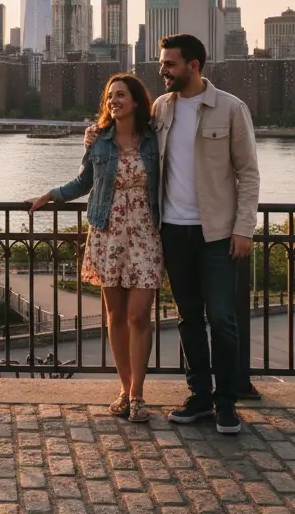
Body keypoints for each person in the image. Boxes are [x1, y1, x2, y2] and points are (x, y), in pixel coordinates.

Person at [84, 34, 259, 435]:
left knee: (222, 317)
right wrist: (95, 133)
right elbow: (121, 134)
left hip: (217, 233)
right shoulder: (161, 109)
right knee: (189, 319)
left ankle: (227, 401)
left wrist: (243, 228)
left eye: (169, 64)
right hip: (172, 231)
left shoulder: (231, 109)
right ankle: (199, 397)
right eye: (162, 64)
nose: (162, 70)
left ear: (193, 65)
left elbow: (248, 174)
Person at [28, 74, 163, 422]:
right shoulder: (98, 141)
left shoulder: (154, 139)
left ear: (135, 101)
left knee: (138, 316)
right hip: (107, 234)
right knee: (116, 316)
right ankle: (124, 390)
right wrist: (50, 195)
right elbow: (84, 181)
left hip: (145, 235)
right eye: (109, 96)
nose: (113, 101)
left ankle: (139, 394)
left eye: (121, 95)